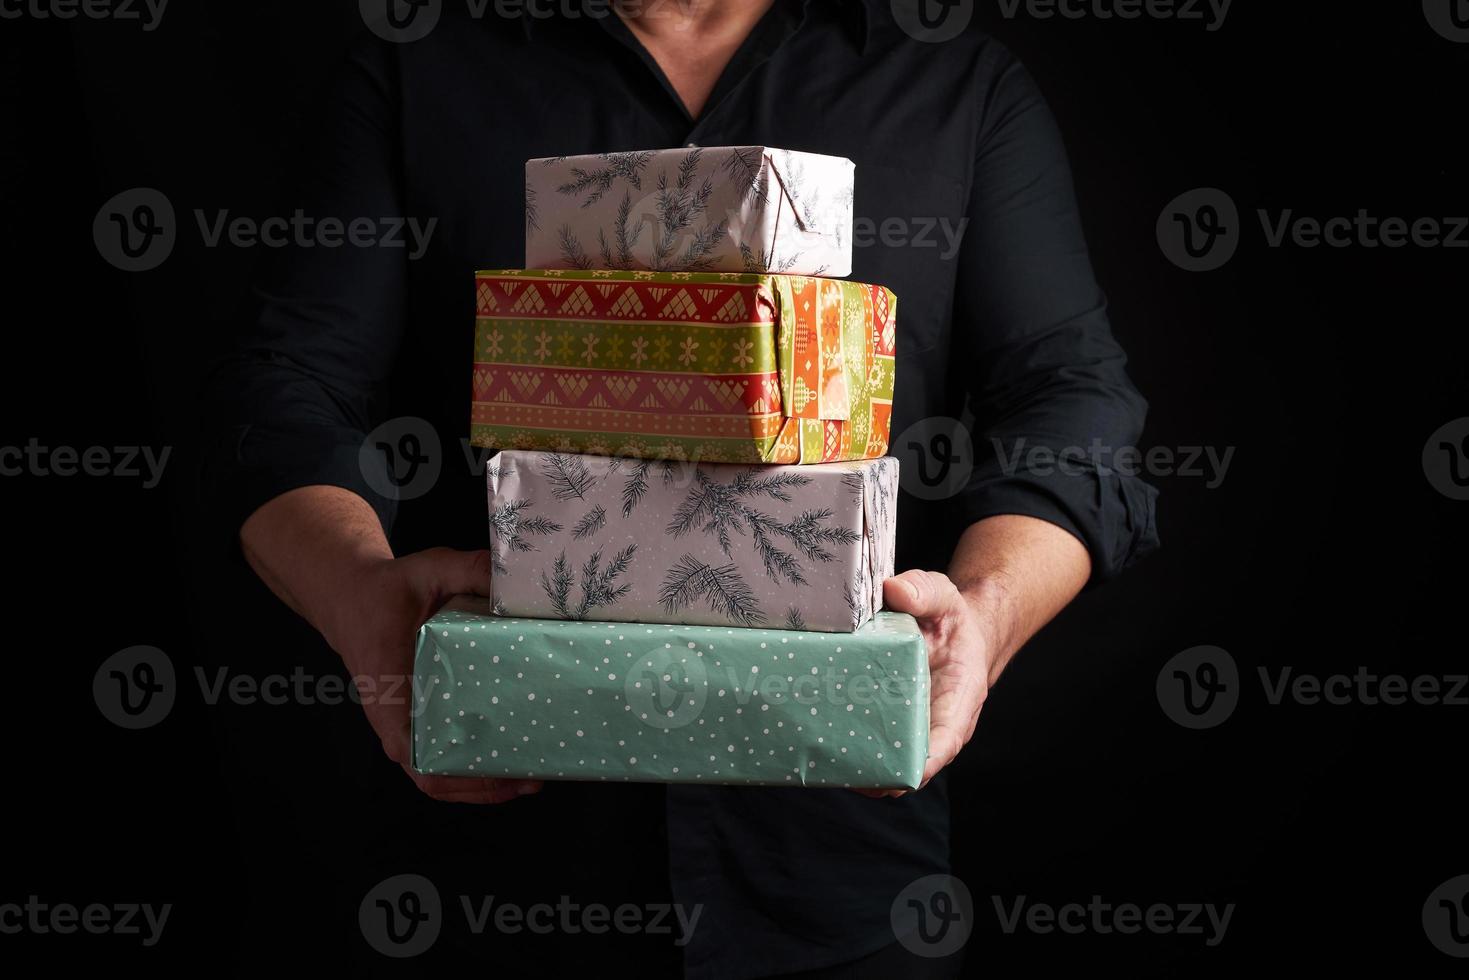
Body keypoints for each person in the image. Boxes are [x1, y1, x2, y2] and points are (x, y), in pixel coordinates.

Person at [206, 1, 1158, 976]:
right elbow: (283, 399)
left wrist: (988, 615)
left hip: (842, 884)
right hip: (493, 874)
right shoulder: (416, 71)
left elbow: (1067, 403)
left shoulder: (955, 86)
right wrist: (355, 589)